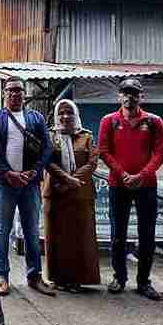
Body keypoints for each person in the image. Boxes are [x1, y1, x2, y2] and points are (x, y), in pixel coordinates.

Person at [0, 76, 54, 297]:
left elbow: (47, 147)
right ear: (5, 94)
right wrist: (8, 173)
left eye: (19, 91)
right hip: (4, 184)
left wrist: (34, 171)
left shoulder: (36, 119)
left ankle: (34, 276)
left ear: (25, 94)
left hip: (30, 184)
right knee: (3, 230)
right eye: (11, 91)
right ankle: (2, 276)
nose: (15, 94)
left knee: (32, 231)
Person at [98, 78, 163, 300]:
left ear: (141, 97)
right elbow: (104, 151)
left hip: (146, 185)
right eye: (125, 93)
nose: (129, 97)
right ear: (119, 96)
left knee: (147, 235)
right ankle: (119, 277)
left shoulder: (154, 121)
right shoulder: (109, 121)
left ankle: (144, 282)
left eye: (134, 93)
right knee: (118, 234)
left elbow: (159, 153)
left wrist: (142, 175)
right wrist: (123, 174)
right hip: (119, 184)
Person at [42, 99, 100, 293]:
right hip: (56, 193)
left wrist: (73, 180)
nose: (65, 117)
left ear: (76, 115)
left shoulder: (86, 137)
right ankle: (57, 279)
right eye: (61, 113)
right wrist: (66, 179)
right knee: (57, 237)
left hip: (80, 194)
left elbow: (92, 163)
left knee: (79, 237)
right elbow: (48, 161)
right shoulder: (51, 136)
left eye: (69, 113)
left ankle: (77, 279)